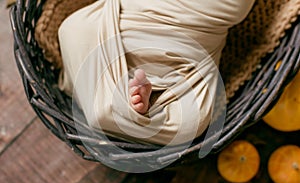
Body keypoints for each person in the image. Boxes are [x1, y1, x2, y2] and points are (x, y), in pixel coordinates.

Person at [58, 0, 255, 145]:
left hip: (189, 45)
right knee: (74, 30)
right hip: (127, 24)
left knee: (191, 123)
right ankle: (124, 102)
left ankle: (133, 104)